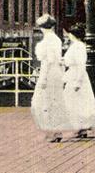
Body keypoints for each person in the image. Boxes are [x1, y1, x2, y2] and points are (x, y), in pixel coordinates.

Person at [30, 14, 70, 142]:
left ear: (43, 28)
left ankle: (50, 132)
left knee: (41, 102)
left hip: (48, 73)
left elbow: (47, 62)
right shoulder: (57, 39)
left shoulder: (46, 41)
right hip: (56, 73)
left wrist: (43, 79)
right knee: (56, 101)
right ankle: (56, 131)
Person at [63, 26, 95, 138]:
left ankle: (81, 128)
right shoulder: (75, 46)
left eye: (70, 34)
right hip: (73, 74)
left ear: (74, 35)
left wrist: (78, 82)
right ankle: (80, 128)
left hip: (77, 76)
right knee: (75, 102)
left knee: (77, 102)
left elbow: (81, 65)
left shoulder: (78, 46)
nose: (68, 36)